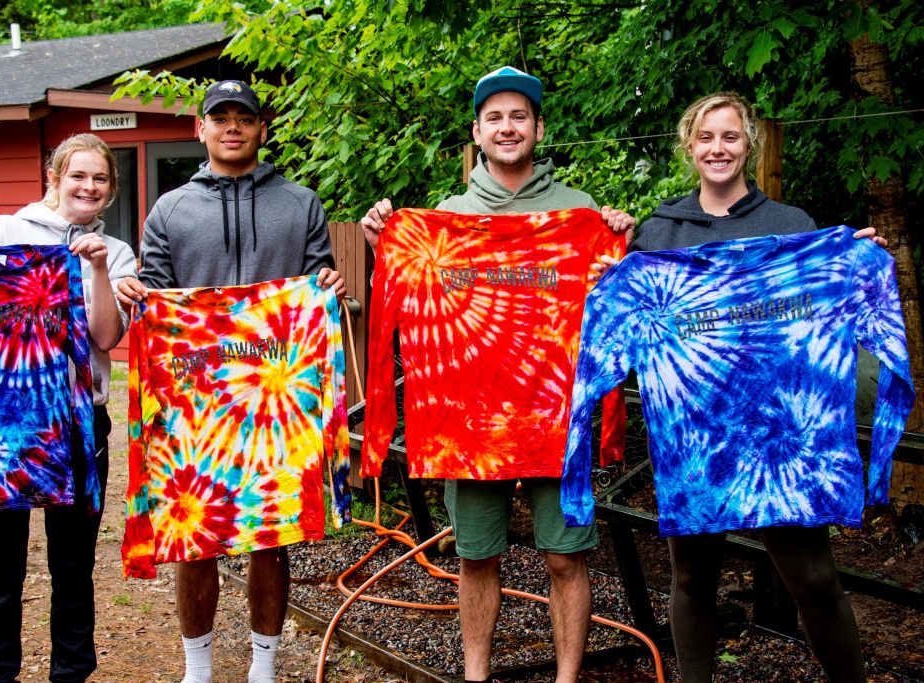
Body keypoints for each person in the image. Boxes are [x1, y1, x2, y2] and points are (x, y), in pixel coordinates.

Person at [599, 91, 885, 683]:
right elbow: (633, 326)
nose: (718, 148)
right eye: (706, 137)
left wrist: (852, 263)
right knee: (692, 577)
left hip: (783, 437)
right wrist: (614, 266)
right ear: (689, 146)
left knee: (812, 577)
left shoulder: (792, 227)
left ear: (749, 144)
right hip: (695, 437)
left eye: (730, 136)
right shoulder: (661, 231)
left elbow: (824, 312)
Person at [361, 66, 635, 683]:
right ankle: (475, 676)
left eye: (519, 117)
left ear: (538, 128)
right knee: (476, 558)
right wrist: (388, 246)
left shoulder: (580, 212)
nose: (507, 128)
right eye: (495, 118)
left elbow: (610, 306)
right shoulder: (446, 218)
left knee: (566, 559)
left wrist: (617, 243)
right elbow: (412, 300)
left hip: (555, 419)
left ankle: (568, 677)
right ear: (478, 133)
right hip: (468, 422)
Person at [114, 79, 344, 683]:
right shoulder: (170, 210)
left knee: (271, 533)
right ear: (201, 129)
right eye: (221, 118)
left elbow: (315, 292)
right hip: (195, 400)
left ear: (261, 129)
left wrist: (328, 290)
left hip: (275, 397)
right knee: (196, 533)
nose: (232, 127)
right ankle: (198, 668)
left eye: (244, 117)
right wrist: (138, 293)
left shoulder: (301, 204)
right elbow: (157, 299)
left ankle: (263, 668)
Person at [0, 132, 137, 682]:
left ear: (110, 191)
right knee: (0, 565)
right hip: (1, 424)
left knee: (72, 563)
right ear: (54, 178)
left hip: (81, 422)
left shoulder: (119, 252)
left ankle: (71, 672)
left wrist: (102, 270)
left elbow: (106, 339)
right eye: (77, 175)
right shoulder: (8, 231)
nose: (88, 186)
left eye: (99, 178)